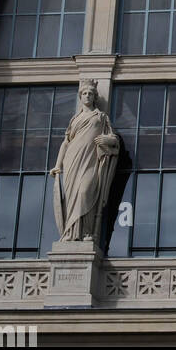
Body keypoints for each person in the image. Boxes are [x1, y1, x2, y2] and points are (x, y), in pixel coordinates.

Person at [50, 79, 120, 243]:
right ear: (80, 97)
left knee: (85, 192)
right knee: (71, 197)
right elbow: (66, 143)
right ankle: (70, 233)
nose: (87, 96)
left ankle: (86, 232)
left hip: (91, 161)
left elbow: (114, 139)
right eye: (84, 93)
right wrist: (58, 165)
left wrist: (106, 139)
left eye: (90, 93)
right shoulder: (75, 119)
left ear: (95, 97)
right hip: (72, 160)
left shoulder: (101, 117)